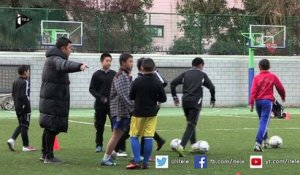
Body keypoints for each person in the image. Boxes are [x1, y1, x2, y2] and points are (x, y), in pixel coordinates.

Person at [39, 37, 89, 163]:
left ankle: (45, 154)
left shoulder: (52, 58)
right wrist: (79, 66)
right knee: (52, 128)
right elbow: (64, 65)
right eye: (70, 48)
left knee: (49, 128)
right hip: (53, 101)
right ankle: (49, 157)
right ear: (63, 48)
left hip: (52, 99)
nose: (71, 51)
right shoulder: (56, 60)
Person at [170, 57, 215, 157]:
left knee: (191, 123)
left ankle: (194, 145)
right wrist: (213, 99)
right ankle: (181, 146)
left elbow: (173, 84)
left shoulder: (185, 74)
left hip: (185, 101)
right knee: (191, 124)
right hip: (195, 102)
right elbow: (212, 87)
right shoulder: (202, 75)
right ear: (201, 65)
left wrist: (175, 97)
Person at [126, 58, 167, 169]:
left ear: (142, 68)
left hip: (138, 113)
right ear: (154, 68)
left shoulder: (137, 81)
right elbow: (163, 98)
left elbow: (130, 96)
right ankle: (146, 163)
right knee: (148, 137)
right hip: (152, 114)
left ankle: (137, 160)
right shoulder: (157, 82)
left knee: (134, 136)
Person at [101, 53, 134, 166]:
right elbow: (123, 95)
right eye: (130, 61)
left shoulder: (125, 75)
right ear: (123, 63)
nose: (132, 64)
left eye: (132, 61)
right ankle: (106, 158)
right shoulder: (121, 76)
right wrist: (132, 108)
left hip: (123, 110)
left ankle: (111, 154)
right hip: (119, 111)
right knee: (116, 135)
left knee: (118, 135)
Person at [250, 59, 285, 152]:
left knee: (262, 121)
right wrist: (283, 96)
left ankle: (265, 142)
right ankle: (258, 144)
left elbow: (253, 91)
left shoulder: (256, 78)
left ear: (259, 67)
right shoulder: (272, 76)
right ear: (269, 67)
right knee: (264, 122)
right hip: (267, 102)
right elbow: (280, 88)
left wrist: (251, 103)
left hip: (258, 102)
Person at [136, 57, 166, 155]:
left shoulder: (154, 75)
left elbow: (164, 83)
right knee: (146, 128)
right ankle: (158, 141)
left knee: (145, 129)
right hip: (144, 106)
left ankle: (142, 154)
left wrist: (156, 94)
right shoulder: (139, 77)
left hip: (153, 105)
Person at [89, 53, 116, 152]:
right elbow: (91, 89)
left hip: (112, 105)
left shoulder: (114, 74)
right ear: (101, 61)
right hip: (100, 106)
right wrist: (100, 98)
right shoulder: (96, 75)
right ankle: (99, 145)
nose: (109, 63)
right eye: (107, 61)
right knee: (100, 126)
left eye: (110, 61)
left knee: (115, 126)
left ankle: (115, 147)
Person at [7, 65, 36, 152]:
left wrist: (17, 105)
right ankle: (25, 146)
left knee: (21, 125)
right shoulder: (25, 82)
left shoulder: (15, 81)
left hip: (17, 107)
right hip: (24, 108)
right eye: (28, 71)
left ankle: (12, 140)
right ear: (25, 72)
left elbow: (13, 94)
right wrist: (27, 107)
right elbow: (25, 96)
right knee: (25, 126)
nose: (29, 73)